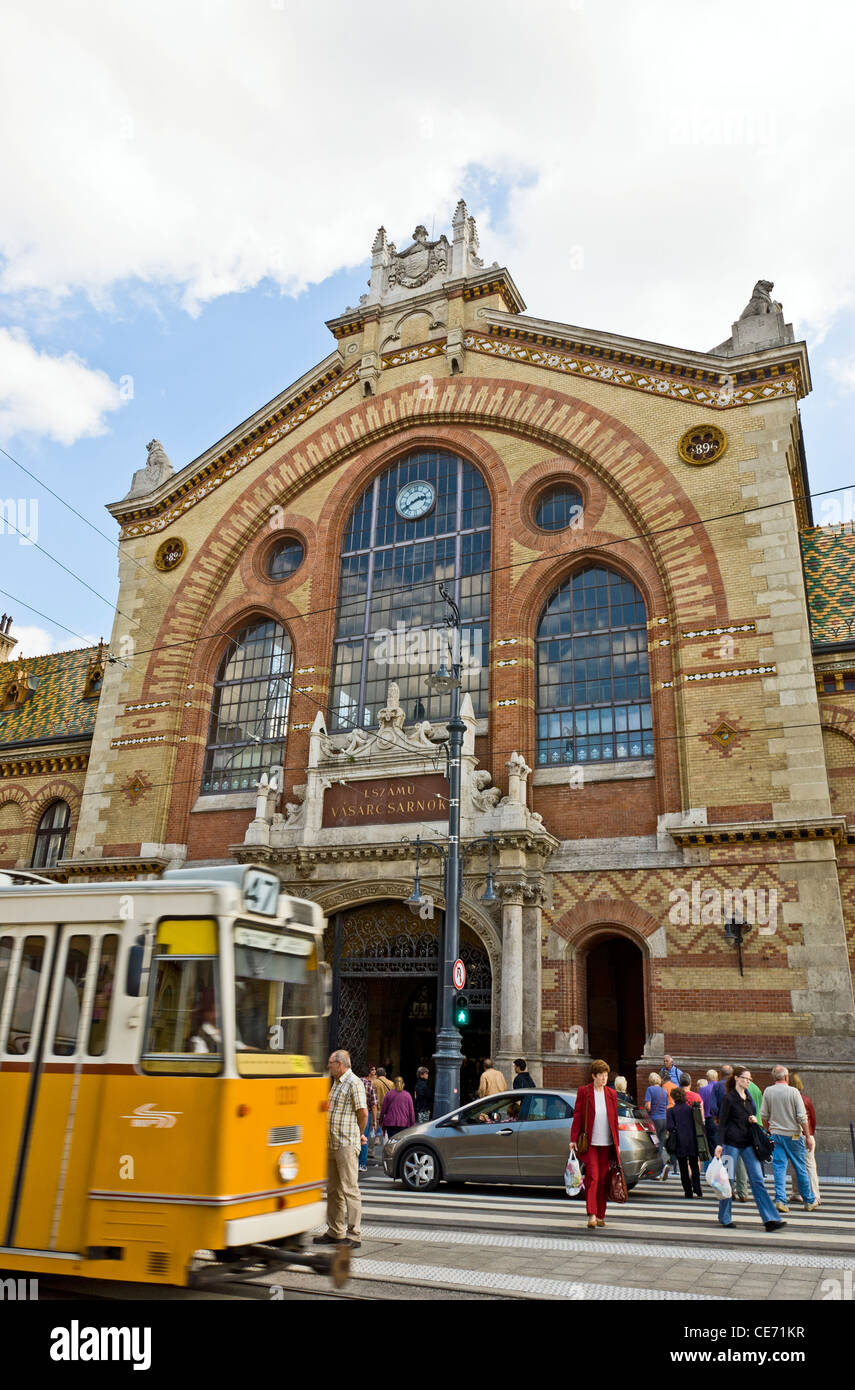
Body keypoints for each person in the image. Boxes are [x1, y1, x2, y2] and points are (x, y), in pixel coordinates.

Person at [714, 1066, 784, 1232]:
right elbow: (722, 1123)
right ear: (737, 1078)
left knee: (758, 1179)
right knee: (728, 1181)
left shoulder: (749, 1097)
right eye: (746, 1078)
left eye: (750, 1079)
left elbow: (751, 1115)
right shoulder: (728, 1098)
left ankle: (770, 1219)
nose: (748, 1081)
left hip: (747, 1144)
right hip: (730, 1144)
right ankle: (725, 1217)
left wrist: (752, 1119)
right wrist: (719, 1144)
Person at [313, 1049, 367, 1250]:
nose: (328, 1066)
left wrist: (358, 1134)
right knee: (334, 1189)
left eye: (330, 1063)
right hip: (332, 1143)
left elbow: (363, 1112)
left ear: (340, 1064)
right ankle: (335, 1231)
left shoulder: (354, 1083)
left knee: (350, 1189)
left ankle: (354, 1234)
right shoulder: (336, 1083)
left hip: (345, 1143)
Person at [569, 1059, 622, 1230]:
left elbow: (614, 1120)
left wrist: (617, 1143)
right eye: (601, 1076)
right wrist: (573, 1138)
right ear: (593, 1076)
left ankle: (600, 1215)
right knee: (593, 1177)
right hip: (590, 1142)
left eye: (606, 1076)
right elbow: (577, 1115)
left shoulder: (611, 1094)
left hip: (607, 1143)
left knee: (604, 1179)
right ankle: (591, 1214)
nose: (604, 1079)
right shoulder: (584, 1092)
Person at [760, 1065, 818, 1213]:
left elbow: (764, 1115)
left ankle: (780, 1199)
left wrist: (769, 1129)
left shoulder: (768, 1091)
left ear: (774, 1077)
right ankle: (809, 1200)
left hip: (776, 1134)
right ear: (786, 1077)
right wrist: (807, 1136)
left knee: (779, 1168)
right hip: (794, 1135)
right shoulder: (793, 1092)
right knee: (800, 1168)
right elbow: (801, 1116)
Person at [788, 1073, 820, 1207]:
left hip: (792, 1135)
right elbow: (812, 1119)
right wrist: (810, 1135)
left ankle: (796, 1193)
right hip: (806, 1134)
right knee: (809, 1165)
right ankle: (815, 1195)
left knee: (794, 1165)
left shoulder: (788, 1099)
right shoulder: (806, 1099)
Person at [666, 1088, 703, 1198]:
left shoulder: (671, 1111)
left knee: (683, 1167)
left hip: (679, 1141)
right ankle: (698, 1188)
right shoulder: (692, 1109)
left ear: (673, 1097)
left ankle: (688, 1191)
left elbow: (670, 1127)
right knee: (694, 1165)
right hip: (692, 1141)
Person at [644, 1071, 671, 1179]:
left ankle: (659, 1168)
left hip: (654, 1120)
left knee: (653, 1145)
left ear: (650, 1080)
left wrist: (646, 1111)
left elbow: (648, 1106)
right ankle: (661, 1167)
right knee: (660, 1144)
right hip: (664, 1119)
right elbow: (666, 1106)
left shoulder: (649, 1089)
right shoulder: (664, 1091)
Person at [359, 1067, 378, 1172]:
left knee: (354, 1138)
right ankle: (362, 1164)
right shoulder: (370, 1086)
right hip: (366, 1113)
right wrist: (374, 1121)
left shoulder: (355, 1083)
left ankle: (354, 1162)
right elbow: (374, 1105)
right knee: (364, 1139)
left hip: (354, 1113)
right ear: (368, 1075)